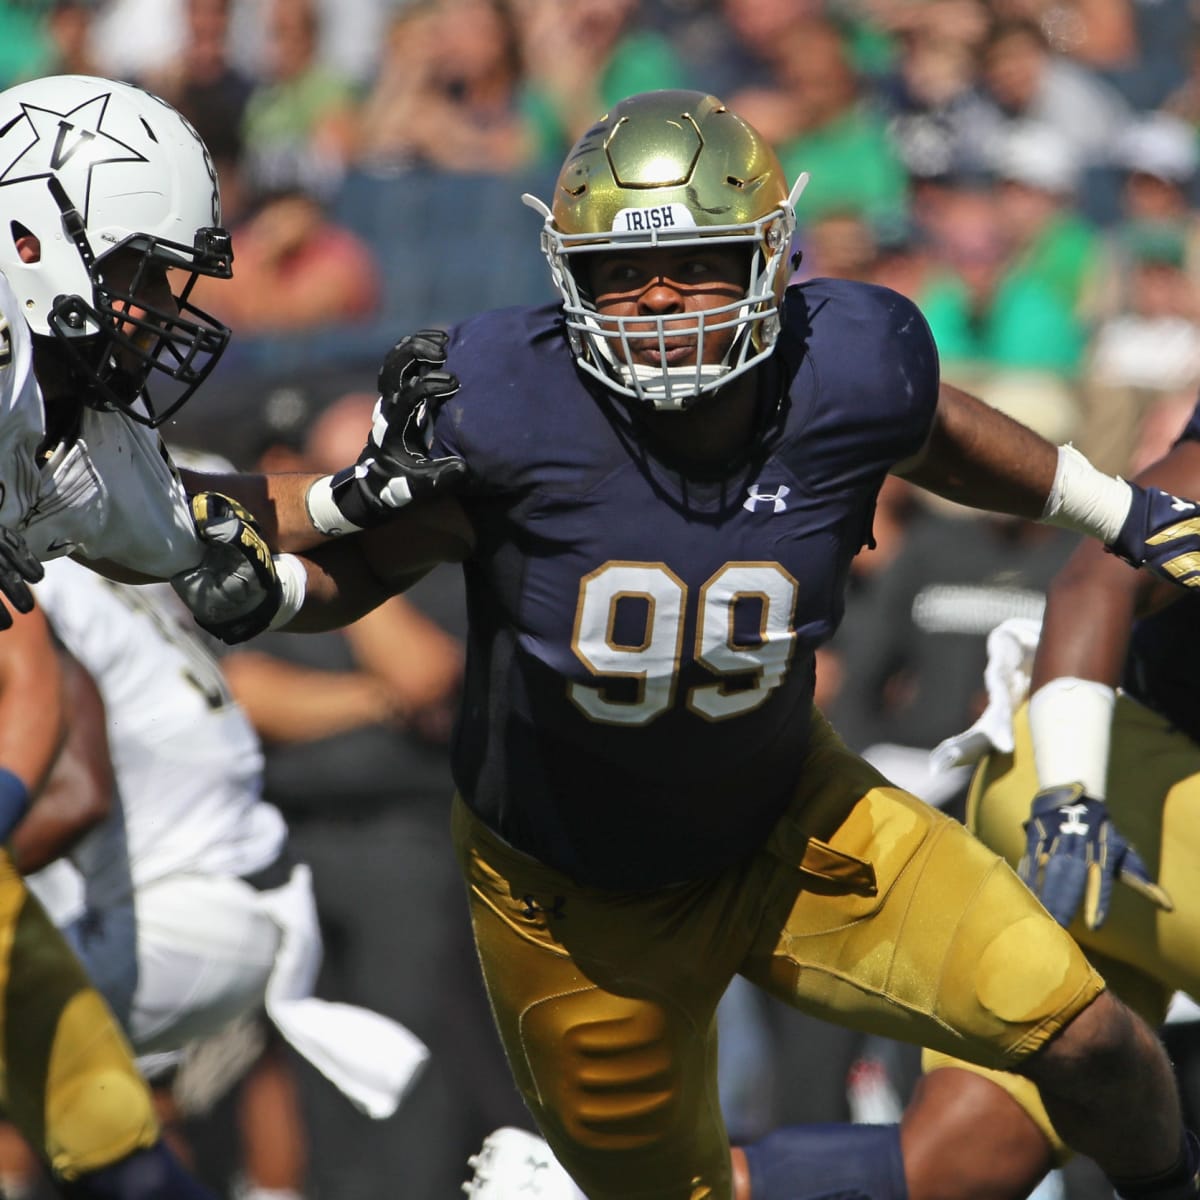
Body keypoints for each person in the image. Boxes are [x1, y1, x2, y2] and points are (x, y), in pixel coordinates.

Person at [212, 89, 1200, 1200]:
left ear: (772, 258)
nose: (663, 297)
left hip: (795, 821)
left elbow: (930, 426)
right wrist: (265, 578)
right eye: (623, 273)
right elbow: (358, 555)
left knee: (1093, 1040)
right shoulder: (506, 402)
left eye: (698, 260)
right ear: (568, 279)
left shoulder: (849, 360)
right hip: (578, 908)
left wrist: (1111, 509)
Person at [0, 69, 310, 1200]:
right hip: (204, 889)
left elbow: (204, 518)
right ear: (29, 231)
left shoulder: (67, 424)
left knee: (92, 1101)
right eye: (135, 270)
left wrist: (371, 497)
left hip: (196, 890)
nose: (155, 306)